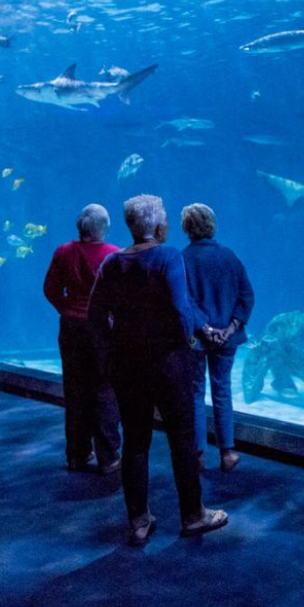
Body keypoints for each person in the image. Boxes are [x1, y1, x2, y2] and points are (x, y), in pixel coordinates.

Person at [88, 194, 228, 546]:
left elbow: (94, 314)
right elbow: (181, 309)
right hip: (168, 362)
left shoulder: (111, 263)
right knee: (182, 439)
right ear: (157, 224)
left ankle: (138, 520)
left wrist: (112, 347)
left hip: (127, 364)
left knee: (135, 441)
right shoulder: (168, 256)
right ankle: (193, 515)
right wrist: (189, 341)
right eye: (164, 215)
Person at [42, 203, 122, 474]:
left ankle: (77, 454)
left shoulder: (64, 252)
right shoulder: (114, 255)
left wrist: (66, 308)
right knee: (105, 389)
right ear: (103, 228)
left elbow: (50, 288)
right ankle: (108, 456)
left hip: (72, 328)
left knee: (75, 390)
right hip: (102, 330)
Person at [180, 202, 255, 472]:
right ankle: (227, 452)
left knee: (196, 392)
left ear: (186, 228)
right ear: (212, 225)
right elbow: (247, 295)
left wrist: (204, 328)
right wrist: (231, 327)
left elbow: (183, 300)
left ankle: (198, 453)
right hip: (227, 338)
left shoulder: (183, 259)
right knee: (222, 390)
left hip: (196, 339)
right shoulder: (230, 256)